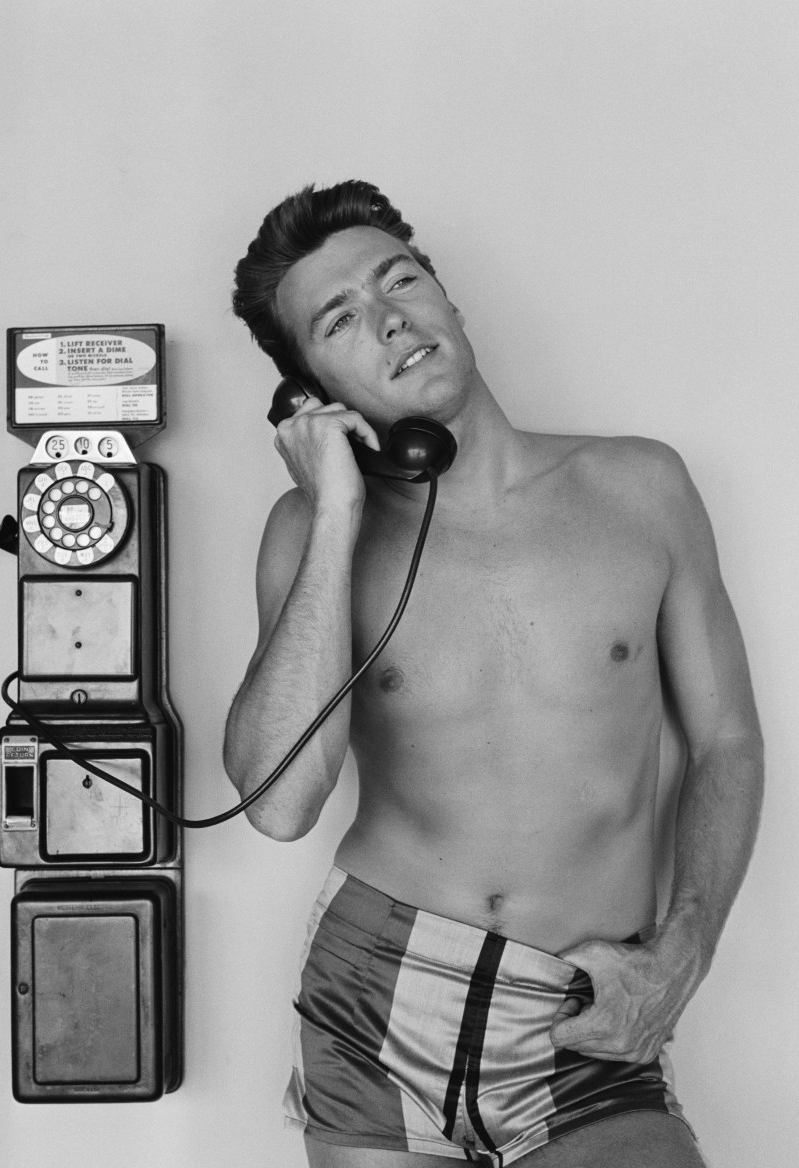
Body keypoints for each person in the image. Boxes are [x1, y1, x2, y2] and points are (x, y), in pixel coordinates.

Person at [224, 181, 763, 1167]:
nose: (390, 323)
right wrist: (336, 515)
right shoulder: (308, 538)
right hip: (372, 1002)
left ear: (448, 299)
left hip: (578, 1014)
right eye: (340, 321)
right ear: (310, 388)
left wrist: (686, 947)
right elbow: (278, 802)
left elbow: (726, 738)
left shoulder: (640, 488)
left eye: (401, 282)